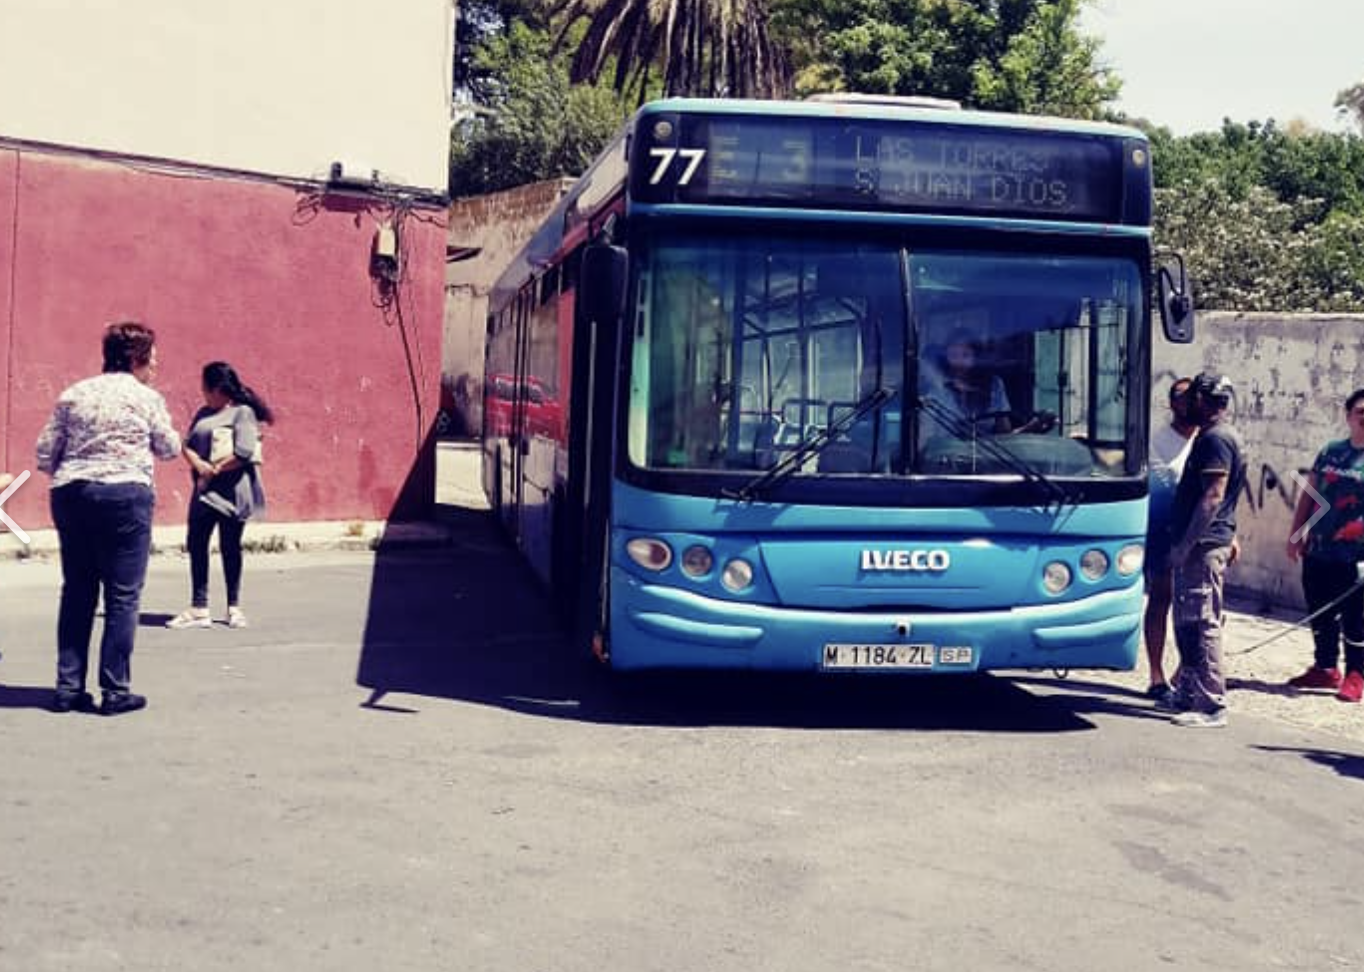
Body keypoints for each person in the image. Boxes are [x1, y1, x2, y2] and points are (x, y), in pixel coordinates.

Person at [35, 321, 181, 715]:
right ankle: (115, 691)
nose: (156, 364)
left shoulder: (74, 393)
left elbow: (45, 452)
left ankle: (68, 688)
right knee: (123, 595)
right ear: (136, 359)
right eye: (152, 358)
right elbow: (169, 447)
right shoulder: (146, 397)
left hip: (71, 493)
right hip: (125, 495)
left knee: (78, 590)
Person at [1161, 373, 1247, 728]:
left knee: (1202, 622)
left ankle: (1211, 704)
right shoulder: (1214, 436)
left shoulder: (1216, 439)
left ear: (1202, 400)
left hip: (1203, 545)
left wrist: (1185, 546)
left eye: (1191, 397)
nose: (1185, 405)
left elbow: (1213, 497)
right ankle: (1187, 691)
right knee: (1186, 620)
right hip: (1201, 543)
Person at [166, 361, 272, 631]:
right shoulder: (203, 413)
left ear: (218, 389)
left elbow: (244, 452)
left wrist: (213, 469)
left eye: (205, 387)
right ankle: (199, 607)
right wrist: (197, 464)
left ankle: (233, 607)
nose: (202, 392)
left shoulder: (242, 413)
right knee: (196, 544)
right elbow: (187, 444)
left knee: (230, 547)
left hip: (232, 493)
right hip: (204, 492)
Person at [1283, 387, 1364, 702]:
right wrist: (1296, 533)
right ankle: (1325, 668)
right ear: (1348, 416)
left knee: (1356, 617)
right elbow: (1310, 494)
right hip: (1318, 548)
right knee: (1320, 610)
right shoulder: (1331, 451)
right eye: (1360, 412)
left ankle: (1356, 674)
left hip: (1355, 555)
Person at [1142, 377, 1197, 703]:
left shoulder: (1209, 438)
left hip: (1202, 532)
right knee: (1161, 598)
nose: (1187, 402)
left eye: (1193, 396)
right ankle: (1156, 675)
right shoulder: (1157, 441)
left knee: (1199, 606)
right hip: (1166, 529)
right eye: (1181, 396)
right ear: (1172, 403)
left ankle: (1183, 672)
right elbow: (1165, 485)